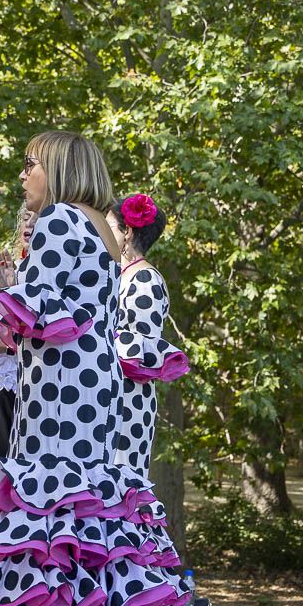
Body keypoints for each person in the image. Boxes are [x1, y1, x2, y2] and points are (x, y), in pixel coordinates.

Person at [0, 131, 195, 606]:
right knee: (87, 519)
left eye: (29, 164)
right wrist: (1, 289)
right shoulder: (99, 226)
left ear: (56, 167)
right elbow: (57, 317)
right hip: (88, 392)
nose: (22, 175)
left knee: (56, 517)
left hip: (58, 398)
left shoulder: (59, 218)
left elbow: (38, 316)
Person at [105, 194, 189, 477]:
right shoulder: (120, 274)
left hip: (127, 402)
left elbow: (139, 350)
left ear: (127, 232)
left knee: (119, 484)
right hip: (109, 396)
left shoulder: (144, 280)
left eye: (108, 226)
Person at [0, 204, 40, 463]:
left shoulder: (47, 273)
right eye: (26, 218)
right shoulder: (9, 267)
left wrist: (4, 346)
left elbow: (44, 330)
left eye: (38, 219)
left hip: (33, 386)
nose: (30, 224)